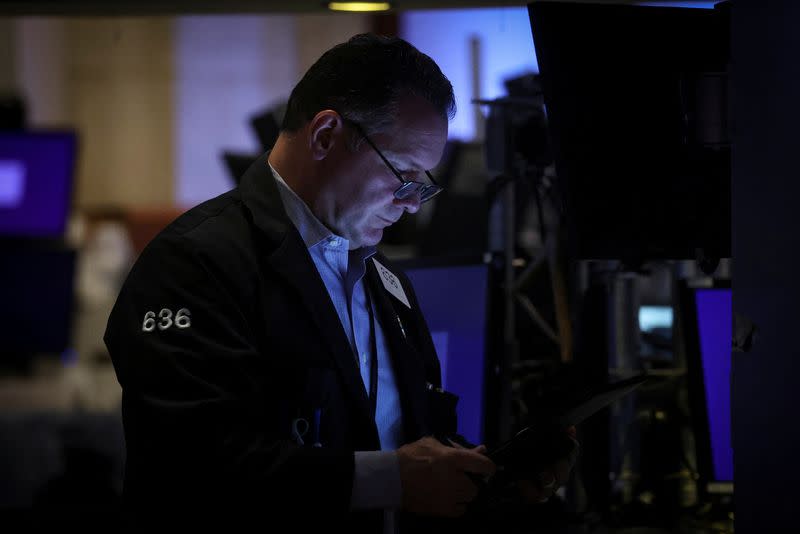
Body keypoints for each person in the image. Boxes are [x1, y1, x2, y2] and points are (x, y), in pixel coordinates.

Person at [103, 33, 577, 534]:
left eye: (424, 183)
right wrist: (391, 480)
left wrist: (490, 482)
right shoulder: (194, 262)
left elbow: (411, 444)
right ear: (326, 135)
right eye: (404, 174)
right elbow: (196, 465)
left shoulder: (383, 277)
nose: (413, 203)